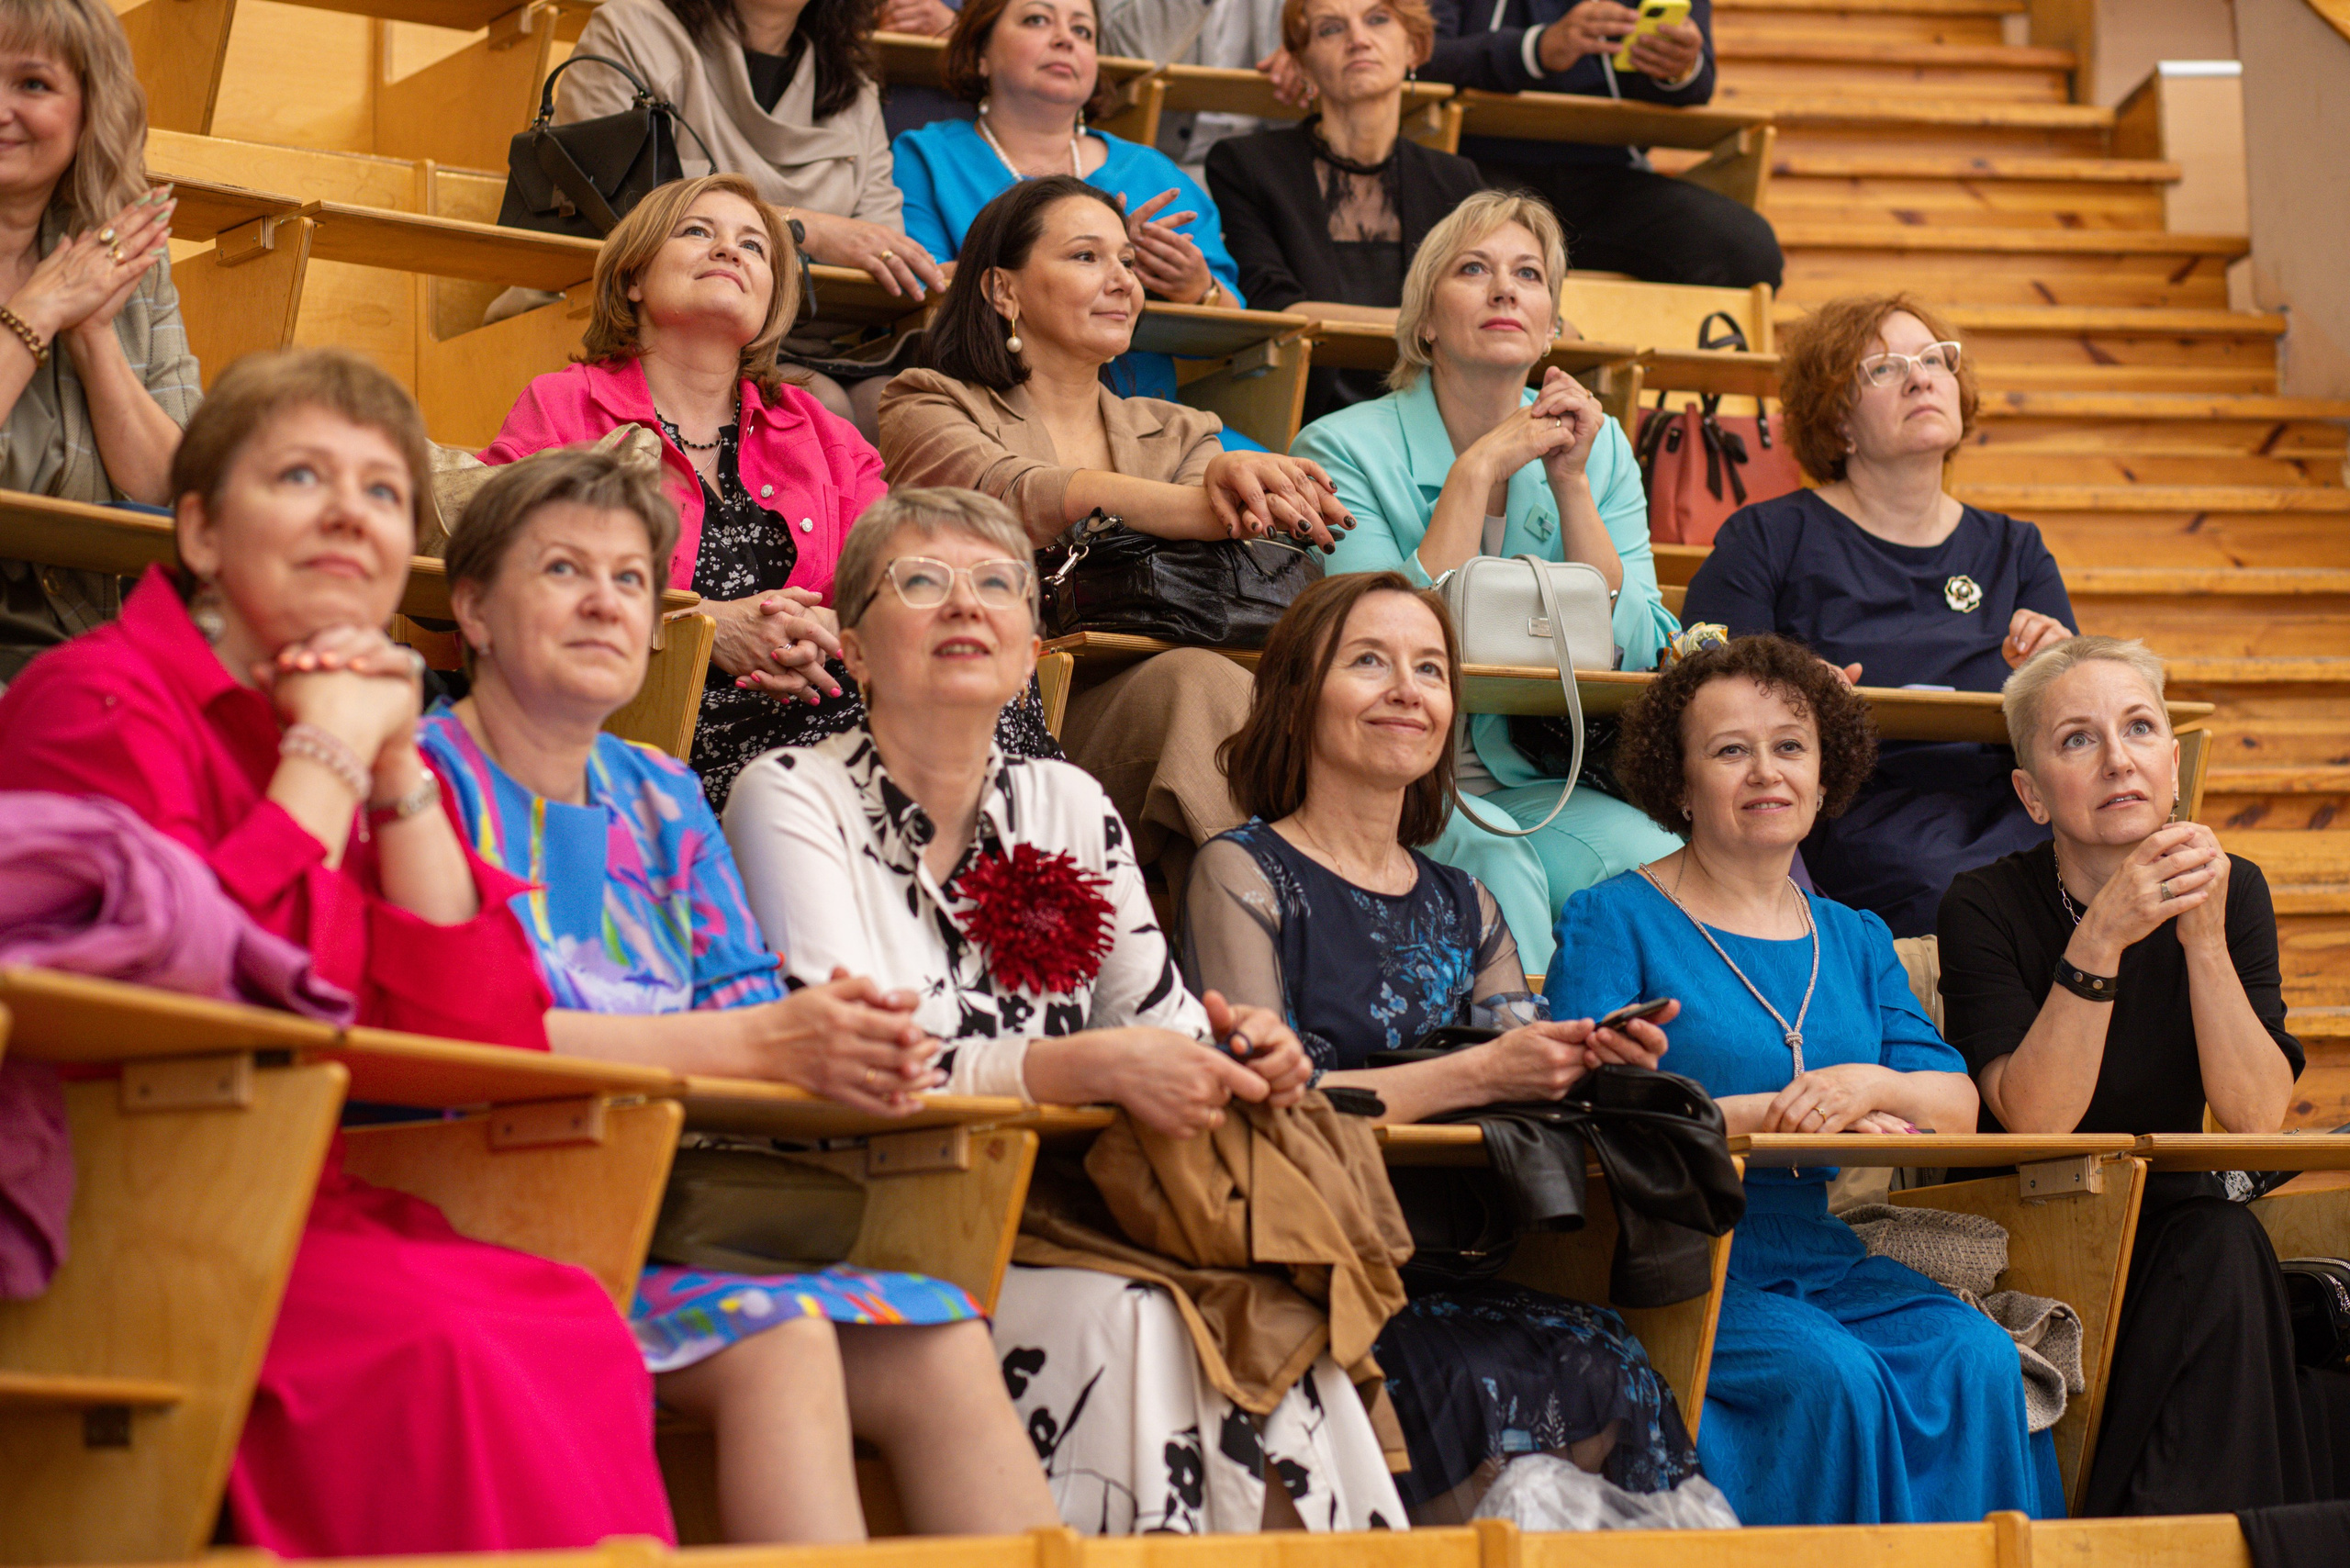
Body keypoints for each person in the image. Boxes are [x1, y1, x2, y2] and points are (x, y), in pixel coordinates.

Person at [0, 348, 673, 1553]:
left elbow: (473, 1039)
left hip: (292, 1194)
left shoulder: (346, 719)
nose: (348, 517)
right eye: (301, 476)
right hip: (112, 1198)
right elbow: (178, 982)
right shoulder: (90, 697)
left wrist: (397, 771)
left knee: (571, 1318)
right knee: (447, 1347)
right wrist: (321, 766)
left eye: (381, 493)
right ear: (200, 532)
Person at [722, 487, 1404, 1533]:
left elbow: (1155, 1019)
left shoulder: (1064, 800)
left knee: (1271, 1326)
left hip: (1075, 1210)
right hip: (866, 1208)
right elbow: (852, 1054)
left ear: (1030, 642)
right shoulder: (788, 793)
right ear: (853, 650)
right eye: (922, 582)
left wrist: (1232, 1054)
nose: (965, 606)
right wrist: (1067, 1070)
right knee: (1134, 1321)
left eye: (995, 584)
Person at [413, 448, 1059, 1543]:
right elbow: (466, 1033)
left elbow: (755, 1014)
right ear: (471, 607)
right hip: (474, 1201)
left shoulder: (659, 791)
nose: (605, 603)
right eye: (563, 570)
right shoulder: (417, 779)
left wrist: (838, 1045)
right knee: (784, 1337)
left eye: (630, 580)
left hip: (667, 1208)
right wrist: (758, 1043)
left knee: (942, 1331)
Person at [1181, 569, 1710, 1523]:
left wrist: (1581, 1060)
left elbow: (1513, 1084)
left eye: (1430, 668)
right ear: (1299, 697)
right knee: (1469, 1378)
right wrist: (1479, 1070)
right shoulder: (1241, 873)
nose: (1406, 689)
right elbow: (1266, 1109)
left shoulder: (1466, 904)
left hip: (1455, 1258)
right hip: (1307, 1272)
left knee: (1604, 1358)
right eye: (1369, 661)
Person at [1544, 633, 2056, 1526]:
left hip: (1816, 1250)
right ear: (1677, 780)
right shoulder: (1611, 916)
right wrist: (1778, 1112)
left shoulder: (1854, 935)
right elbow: (1583, 1112)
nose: (1764, 771)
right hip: (1673, 1252)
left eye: (1789, 747)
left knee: (1974, 1355)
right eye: (1729, 749)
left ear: (1825, 777)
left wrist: (1866, 1084)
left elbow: (1957, 1104)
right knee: (1832, 1378)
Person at [483, 174, 1057, 813]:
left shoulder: (822, 432)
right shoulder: (563, 406)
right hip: (655, 732)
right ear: (633, 279)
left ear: (770, 301)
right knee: (928, 748)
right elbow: (504, 578)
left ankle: (1015, 894)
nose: (729, 251)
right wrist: (698, 625)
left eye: (753, 246)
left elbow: (901, 582)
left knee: (981, 683)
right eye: (698, 232)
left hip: (831, 710)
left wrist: (831, 627)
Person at [1938, 635, 2349, 1518]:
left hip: (2178, 1220)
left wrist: (2202, 940)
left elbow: (2253, 1116)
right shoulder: (1982, 902)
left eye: (2139, 729)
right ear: (2033, 794)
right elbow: (2034, 1117)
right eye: (2078, 740)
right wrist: (2101, 940)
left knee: (2220, 1244)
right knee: (2221, 1251)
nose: (2117, 758)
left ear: (2172, 763)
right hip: (2036, 1216)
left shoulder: (2231, 891)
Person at [878, 175, 1347, 891]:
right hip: (997, 718)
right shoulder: (927, 402)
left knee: (1223, 689)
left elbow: (1226, 576)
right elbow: (1010, 496)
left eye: (1127, 261)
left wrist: (1241, 491)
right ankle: (1289, 932)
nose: (1122, 281)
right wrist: (1199, 502)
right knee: (1197, 689)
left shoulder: (1185, 431)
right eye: (1087, 257)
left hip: (1162, 717)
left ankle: (1256, 945)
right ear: (1003, 291)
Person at [1292, 188, 1680, 969]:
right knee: (1500, 868)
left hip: (1540, 776)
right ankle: (1534, 1072)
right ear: (1426, 321)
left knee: (1663, 863)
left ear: (1551, 325)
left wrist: (1570, 485)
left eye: (1529, 275)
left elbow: (1637, 649)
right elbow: (1362, 643)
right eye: (1474, 268)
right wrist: (1476, 474)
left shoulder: (1597, 452)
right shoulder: (1339, 449)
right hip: (1386, 774)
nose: (1505, 288)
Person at [1683, 293, 2077, 938]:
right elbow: (1703, 684)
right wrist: (1792, 689)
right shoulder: (1767, 538)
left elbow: (2075, 720)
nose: (1921, 376)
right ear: (1838, 422)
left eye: (1933, 360)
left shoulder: (2017, 547)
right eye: (1885, 368)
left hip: (2013, 801)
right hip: (1853, 809)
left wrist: (2058, 667)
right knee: (1951, 885)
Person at [891, 0, 1253, 415]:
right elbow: (921, 286)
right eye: (1037, 19)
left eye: (1083, 31)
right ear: (980, 54)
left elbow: (1237, 326)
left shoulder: (1153, 173)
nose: (1065, 38)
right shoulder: (927, 156)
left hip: (1145, 419)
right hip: (985, 410)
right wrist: (1089, 258)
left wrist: (1195, 290)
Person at [0, 0, 198, 680]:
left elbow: (171, 489)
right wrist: (37, 311)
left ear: (90, 110)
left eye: (32, 85)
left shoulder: (116, 257)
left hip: (83, 639)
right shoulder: (61, 283)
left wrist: (92, 334)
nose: (1, 109)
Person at [1205, 0, 1485, 423]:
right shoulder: (1247, 165)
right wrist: (1434, 321)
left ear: (1415, 48)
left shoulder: (1455, 178)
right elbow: (1275, 310)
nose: (1358, 40)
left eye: (1377, 19)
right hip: (1299, 416)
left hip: (1435, 419)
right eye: (1331, 29)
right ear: (1301, 66)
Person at [1393, 0, 1781, 289]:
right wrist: (1535, 50)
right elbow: (1417, 57)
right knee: (1468, 240)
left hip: (1610, 176)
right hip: (1478, 167)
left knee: (1744, 250)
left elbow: (1699, 82)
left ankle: (1670, 395)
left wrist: (1679, 67)